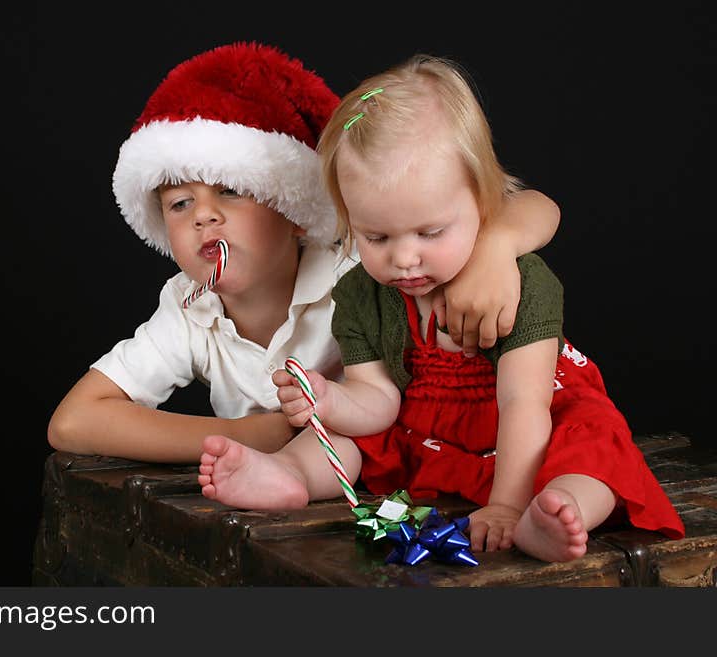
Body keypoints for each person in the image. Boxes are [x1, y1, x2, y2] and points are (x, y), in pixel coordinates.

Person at [198, 54, 684, 562]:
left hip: (523, 425)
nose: (405, 260)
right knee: (353, 438)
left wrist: (506, 506)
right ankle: (290, 474)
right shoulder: (363, 296)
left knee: (592, 450)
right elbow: (376, 399)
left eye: (430, 233)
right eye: (376, 236)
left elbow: (524, 404)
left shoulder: (522, 282)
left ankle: (560, 514)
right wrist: (328, 402)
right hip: (426, 430)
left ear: (482, 200)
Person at [48, 43, 561, 465]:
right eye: (180, 204)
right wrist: (251, 435)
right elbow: (73, 423)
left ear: (291, 206)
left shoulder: (362, 264)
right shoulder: (189, 310)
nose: (203, 216)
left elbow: (530, 206)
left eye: (230, 191)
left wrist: (496, 247)